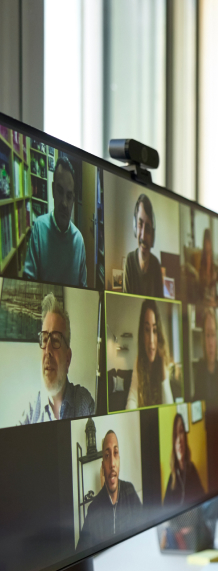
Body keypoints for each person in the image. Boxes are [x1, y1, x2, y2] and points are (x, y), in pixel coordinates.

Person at [21, 293, 95, 423]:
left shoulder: (84, 402)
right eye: (44, 339)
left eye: (55, 340)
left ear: (68, 359)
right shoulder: (30, 411)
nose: (47, 350)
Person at [23, 156, 87, 287]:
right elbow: (28, 282)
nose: (64, 203)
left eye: (69, 196)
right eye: (59, 191)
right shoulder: (39, 229)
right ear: (52, 190)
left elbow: (83, 289)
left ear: (73, 199)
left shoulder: (79, 241)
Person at [77, 430, 142, 548]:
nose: (112, 463)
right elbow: (80, 554)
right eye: (107, 456)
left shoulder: (130, 492)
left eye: (115, 453)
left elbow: (144, 534)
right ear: (103, 466)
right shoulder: (93, 509)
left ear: (119, 460)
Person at [126, 299, 174, 409]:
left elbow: (170, 408)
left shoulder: (165, 363)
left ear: (160, 334)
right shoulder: (139, 361)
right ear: (142, 334)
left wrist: (163, 373)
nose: (151, 340)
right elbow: (132, 399)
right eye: (147, 330)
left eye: (155, 330)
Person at [122, 194, 163, 297]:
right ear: (135, 227)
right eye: (140, 225)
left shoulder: (156, 265)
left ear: (152, 234)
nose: (143, 236)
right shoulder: (129, 261)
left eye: (148, 228)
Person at [163, 413, 205, 507]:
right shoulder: (172, 477)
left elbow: (203, 499)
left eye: (181, 432)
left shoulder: (192, 469)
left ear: (185, 438)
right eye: (175, 435)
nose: (179, 440)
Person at [191, 306, 218, 401]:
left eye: (213, 335)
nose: (210, 342)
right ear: (203, 339)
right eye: (208, 335)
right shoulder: (199, 369)